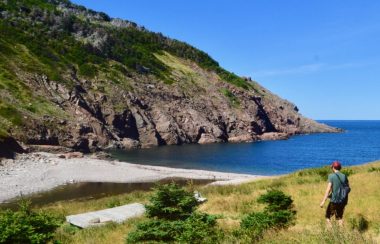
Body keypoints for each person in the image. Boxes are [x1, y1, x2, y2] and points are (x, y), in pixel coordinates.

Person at [320, 161, 349, 227]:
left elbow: (328, 189)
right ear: (340, 168)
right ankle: (341, 234)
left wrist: (323, 201)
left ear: (333, 167)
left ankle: (331, 232)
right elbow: (347, 188)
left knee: (328, 217)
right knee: (339, 218)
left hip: (334, 200)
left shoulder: (331, 176)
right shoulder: (344, 176)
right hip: (342, 200)